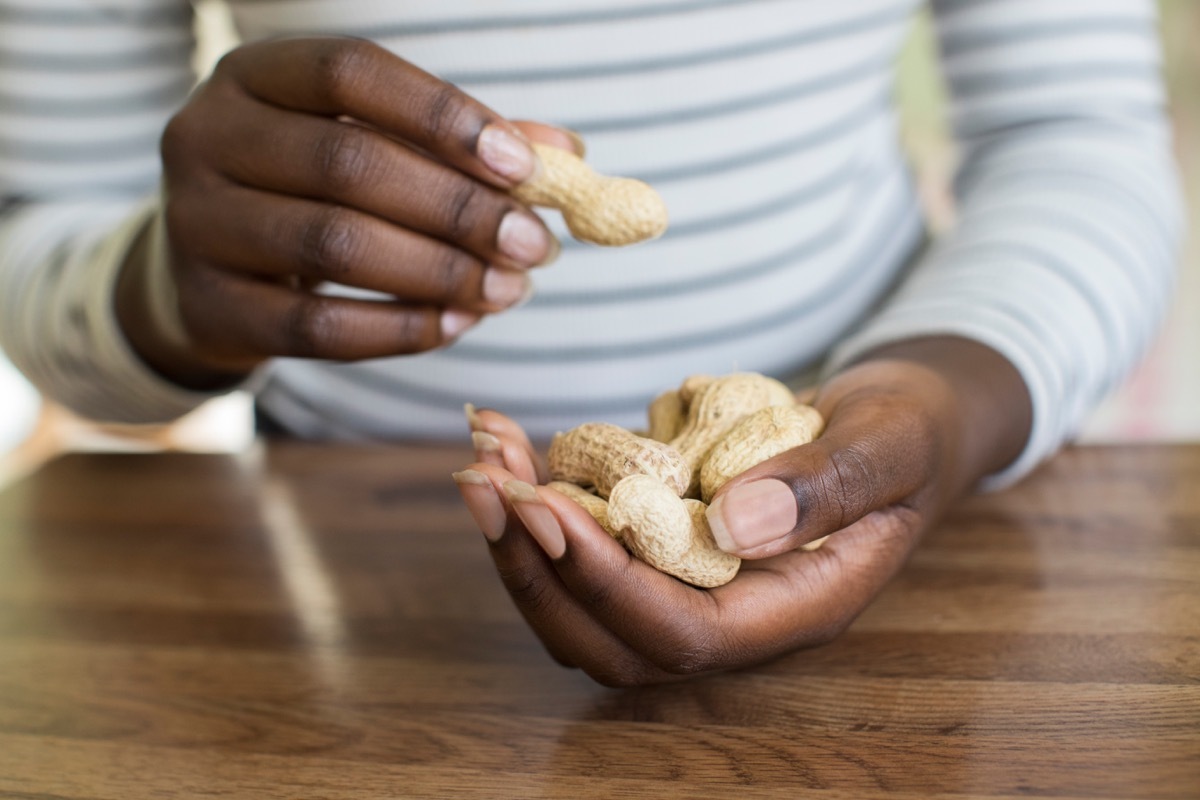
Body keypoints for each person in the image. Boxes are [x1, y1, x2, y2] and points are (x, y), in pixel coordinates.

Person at [0, 0, 1183, 684]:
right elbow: (42, 232)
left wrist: (947, 392)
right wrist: (162, 285)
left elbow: (1074, 129)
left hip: (901, 523)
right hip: (337, 594)